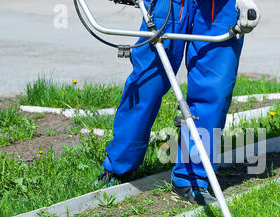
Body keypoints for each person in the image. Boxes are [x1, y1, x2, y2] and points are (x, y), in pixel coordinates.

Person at [94, 0, 260, 205]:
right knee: (148, 81)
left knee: (214, 90)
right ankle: (119, 165)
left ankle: (192, 179)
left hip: (221, 6)